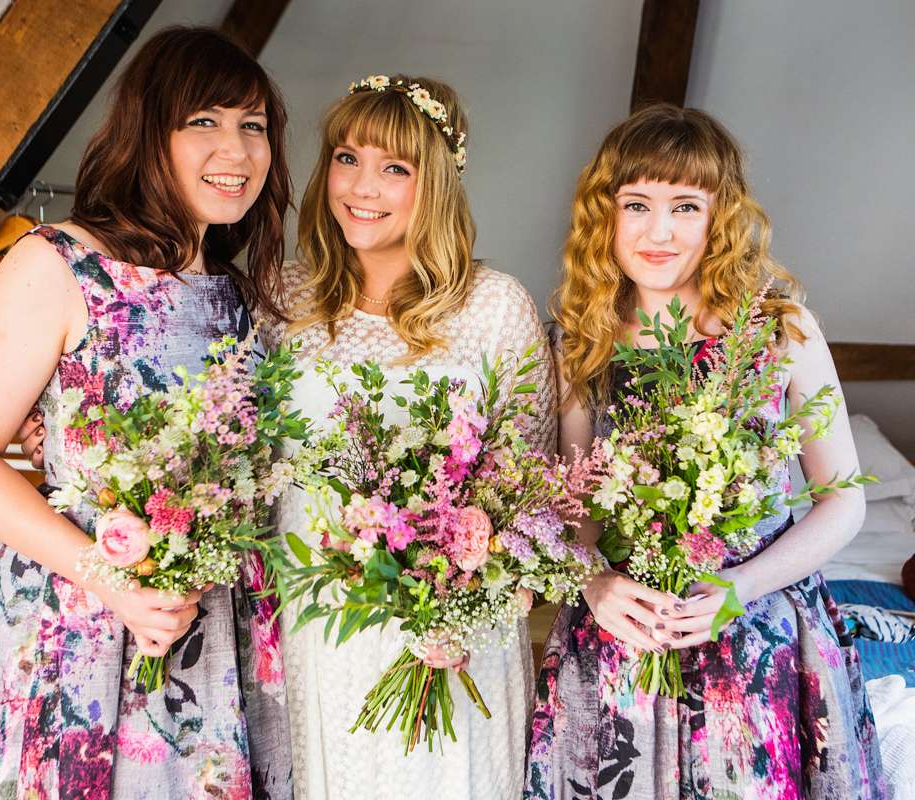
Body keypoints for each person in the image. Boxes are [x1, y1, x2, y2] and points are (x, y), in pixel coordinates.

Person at [0, 27, 293, 800]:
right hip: (80, 624)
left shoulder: (238, 294)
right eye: (203, 120)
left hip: (213, 633)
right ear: (147, 132)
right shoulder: (60, 263)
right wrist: (114, 581)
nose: (235, 148)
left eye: (253, 125)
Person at [523, 103, 886, 799]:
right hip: (621, 645)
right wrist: (594, 583)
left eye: (685, 207)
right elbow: (577, 515)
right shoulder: (580, 340)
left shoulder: (779, 330)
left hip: (757, 640)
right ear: (606, 215)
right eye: (637, 205)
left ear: (719, 217)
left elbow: (844, 501)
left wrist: (739, 587)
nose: (658, 232)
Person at [255, 74, 555, 800]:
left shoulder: (494, 306)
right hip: (315, 618)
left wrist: (456, 595)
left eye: (395, 167)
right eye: (347, 158)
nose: (363, 186)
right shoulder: (282, 297)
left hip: (451, 630)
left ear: (438, 184)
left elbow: (530, 489)